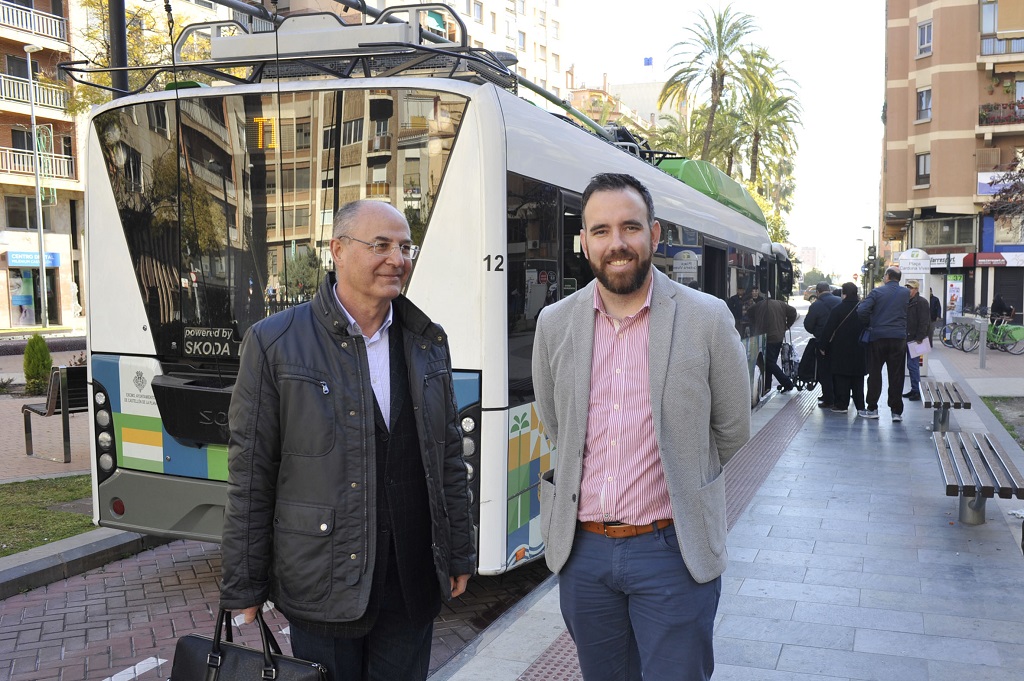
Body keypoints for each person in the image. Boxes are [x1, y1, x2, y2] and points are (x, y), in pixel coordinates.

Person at [220, 200, 475, 681]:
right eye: (380, 245)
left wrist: (458, 552)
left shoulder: (427, 341)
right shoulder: (275, 342)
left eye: (404, 247)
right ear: (337, 250)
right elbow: (251, 473)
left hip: (411, 581)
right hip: (325, 583)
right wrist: (245, 584)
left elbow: (446, 461)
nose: (396, 259)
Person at [531, 173, 751, 681]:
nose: (617, 243)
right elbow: (557, 425)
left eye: (630, 227)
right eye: (601, 230)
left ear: (653, 235)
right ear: (584, 243)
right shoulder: (555, 324)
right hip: (583, 555)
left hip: (672, 551)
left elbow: (733, 429)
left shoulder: (707, 318)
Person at [857, 266, 910, 421]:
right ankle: (896, 412)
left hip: (878, 337)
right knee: (896, 375)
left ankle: (872, 408)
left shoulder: (877, 292)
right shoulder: (906, 293)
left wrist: (870, 323)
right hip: (899, 338)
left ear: (887, 276)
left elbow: (861, 311)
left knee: (875, 373)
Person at [820, 282, 866, 414]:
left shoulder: (837, 309)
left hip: (840, 349)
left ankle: (842, 404)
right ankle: (860, 406)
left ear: (844, 294)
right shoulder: (863, 308)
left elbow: (828, 330)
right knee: (858, 379)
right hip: (860, 348)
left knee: (841, 377)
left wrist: (823, 346)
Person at [749, 289, 798, 393]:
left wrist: (754, 325)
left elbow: (749, 313)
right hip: (778, 337)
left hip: (766, 338)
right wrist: (787, 325)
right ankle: (767, 386)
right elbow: (793, 312)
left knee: (769, 362)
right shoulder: (780, 304)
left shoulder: (758, 305)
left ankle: (787, 383)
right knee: (771, 362)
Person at [803, 282, 841, 408]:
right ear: (829, 290)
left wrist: (817, 332)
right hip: (839, 342)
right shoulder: (839, 301)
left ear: (818, 292)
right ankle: (839, 397)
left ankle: (828, 398)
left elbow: (808, 325)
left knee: (824, 371)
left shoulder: (816, 305)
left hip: (822, 342)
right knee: (838, 370)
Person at [903, 280, 930, 401]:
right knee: (911, 366)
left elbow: (924, 321)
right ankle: (914, 389)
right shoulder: (906, 301)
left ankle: (917, 391)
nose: (909, 290)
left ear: (916, 289)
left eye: (911, 288)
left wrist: (920, 337)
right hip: (906, 337)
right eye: (907, 287)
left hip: (915, 339)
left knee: (913, 366)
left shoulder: (922, 302)